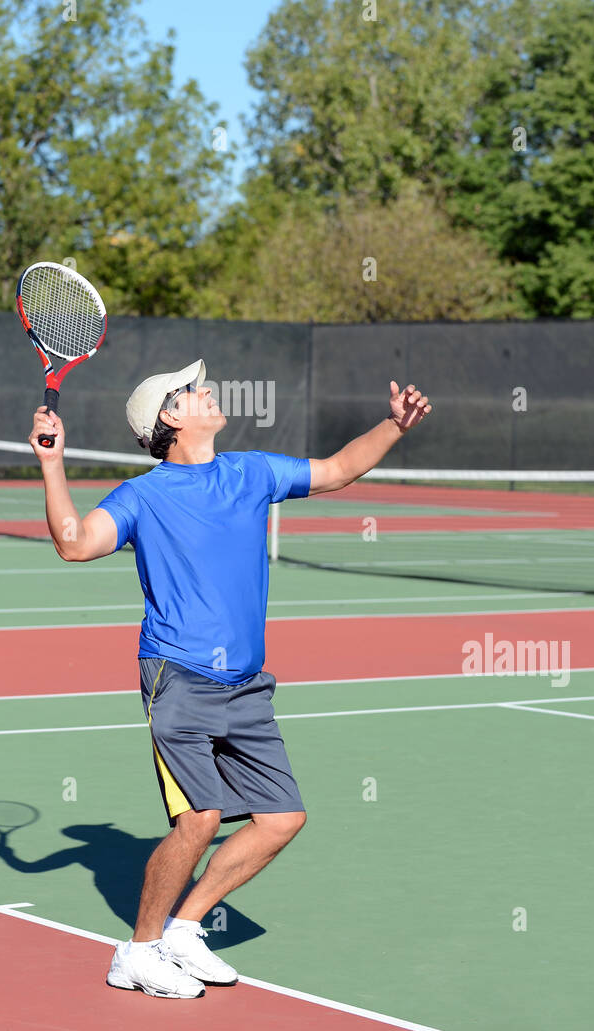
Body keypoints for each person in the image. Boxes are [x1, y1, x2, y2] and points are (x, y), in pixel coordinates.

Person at [30, 359, 430, 998]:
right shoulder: (142, 496)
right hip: (177, 676)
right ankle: (136, 951)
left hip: (246, 685)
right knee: (201, 819)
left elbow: (336, 470)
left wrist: (393, 425)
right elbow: (75, 543)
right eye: (192, 391)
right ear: (170, 416)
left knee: (281, 818)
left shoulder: (251, 472)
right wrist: (53, 464)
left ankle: (185, 929)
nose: (207, 391)